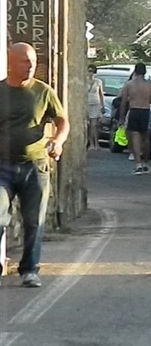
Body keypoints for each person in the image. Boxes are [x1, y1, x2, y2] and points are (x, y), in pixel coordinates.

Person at [0, 42, 70, 287]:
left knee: (34, 220)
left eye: (33, 62)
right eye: (24, 61)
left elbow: (63, 122)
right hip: (3, 167)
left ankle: (29, 269)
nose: (30, 66)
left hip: (35, 166)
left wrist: (58, 141)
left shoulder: (43, 92)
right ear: (10, 62)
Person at [118, 63, 151, 175]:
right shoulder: (149, 86)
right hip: (145, 111)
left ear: (135, 72)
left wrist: (121, 117)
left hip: (134, 111)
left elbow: (123, 102)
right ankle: (145, 162)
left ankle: (138, 164)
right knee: (146, 138)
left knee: (135, 137)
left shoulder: (129, 85)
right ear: (145, 72)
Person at [87, 64, 105, 150]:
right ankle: (90, 143)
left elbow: (101, 94)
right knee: (88, 125)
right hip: (87, 104)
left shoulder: (98, 81)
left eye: (92, 72)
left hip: (95, 104)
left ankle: (96, 143)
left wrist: (102, 106)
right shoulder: (84, 81)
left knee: (94, 125)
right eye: (89, 71)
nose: (91, 73)